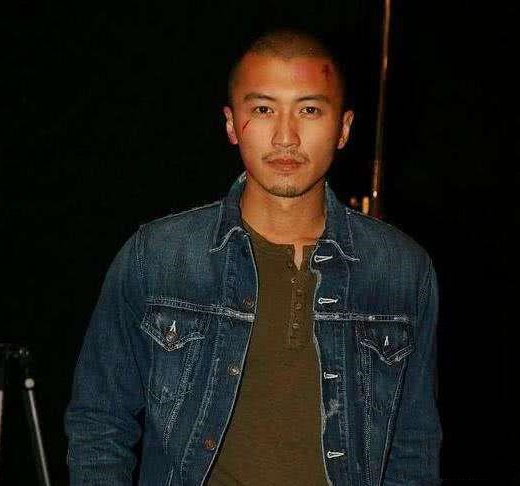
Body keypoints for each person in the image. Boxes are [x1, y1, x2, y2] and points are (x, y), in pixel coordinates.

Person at [65, 27, 442, 486]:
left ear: (343, 128)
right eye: (263, 109)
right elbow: (99, 422)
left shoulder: (401, 270)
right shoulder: (158, 257)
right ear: (231, 123)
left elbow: (414, 447)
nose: (286, 136)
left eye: (308, 110)